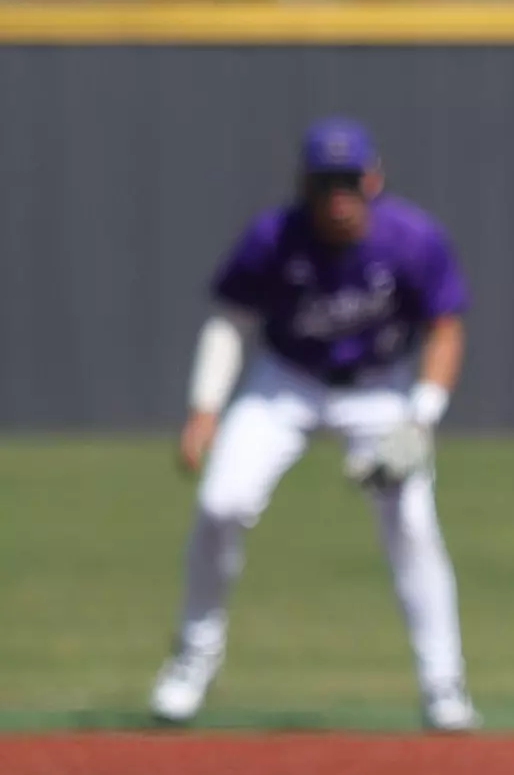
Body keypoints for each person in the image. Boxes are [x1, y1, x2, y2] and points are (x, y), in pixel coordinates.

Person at [148, 117, 478, 733]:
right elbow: (231, 320)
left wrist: (421, 418)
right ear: (304, 184)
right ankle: (192, 659)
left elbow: (445, 326)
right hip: (286, 383)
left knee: (410, 523)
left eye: (349, 180)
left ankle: (444, 684)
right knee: (221, 504)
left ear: (372, 178)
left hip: (378, 388)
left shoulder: (411, 239)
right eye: (326, 182)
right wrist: (204, 408)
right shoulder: (273, 238)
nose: (338, 196)